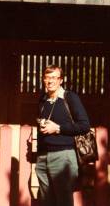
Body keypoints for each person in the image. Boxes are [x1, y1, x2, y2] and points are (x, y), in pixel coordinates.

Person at [35, 65, 90, 206]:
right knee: (45, 201)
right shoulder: (43, 100)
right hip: (43, 157)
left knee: (63, 200)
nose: (50, 81)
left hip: (63, 156)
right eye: (47, 78)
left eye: (54, 77)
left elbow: (84, 125)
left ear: (61, 80)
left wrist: (58, 128)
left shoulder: (69, 97)